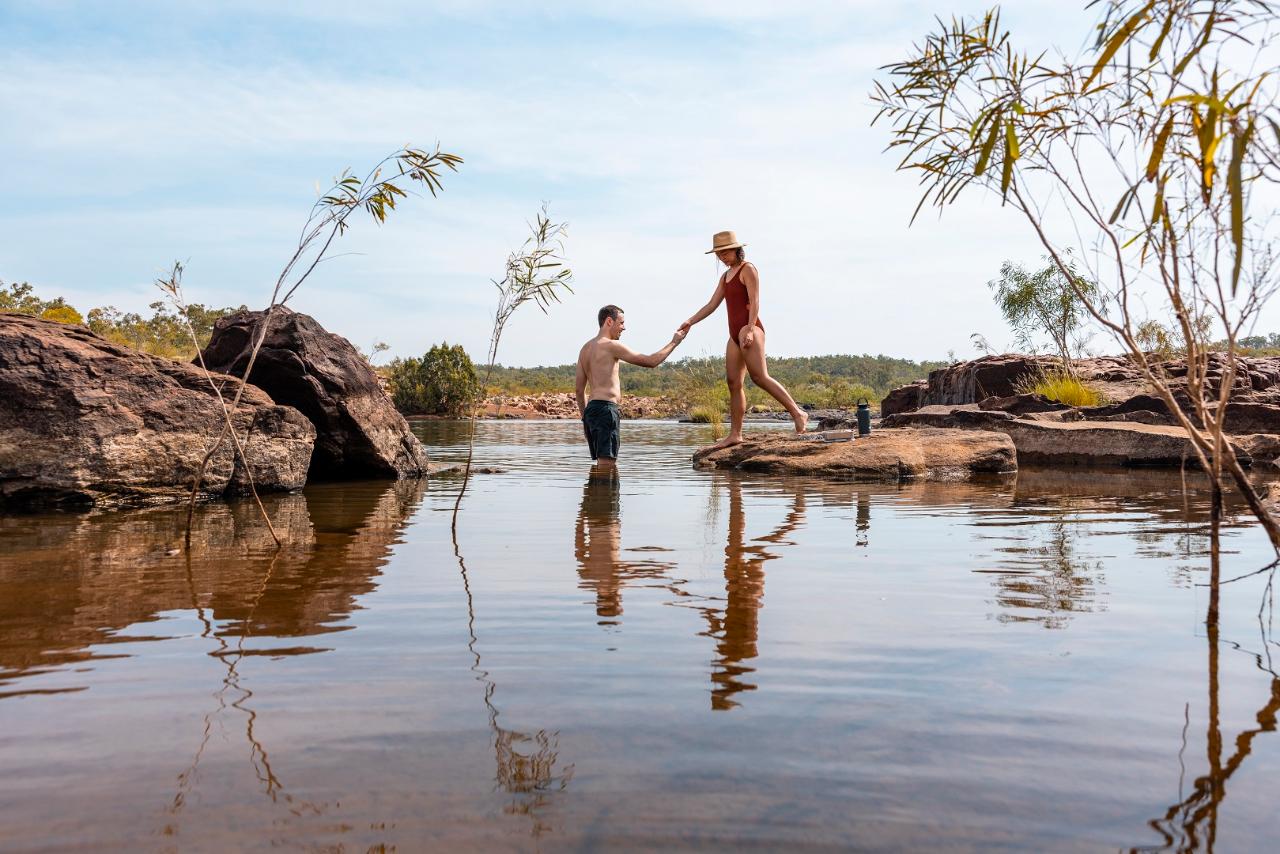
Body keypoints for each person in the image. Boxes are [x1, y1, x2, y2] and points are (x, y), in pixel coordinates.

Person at [680, 231, 808, 450]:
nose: (722, 257)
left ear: (737, 249)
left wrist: (749, 329)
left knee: (759, 377)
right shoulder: (725, 276)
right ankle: (735, 434)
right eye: (719, 253)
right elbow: (712, 304)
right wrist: (690, 321)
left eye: (726, 252)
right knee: (733, 383)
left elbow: (755, 301)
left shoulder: (748, 269)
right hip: (733, 333)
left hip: (750, 329)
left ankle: (798, 413)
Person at [576, 304, 686, 465]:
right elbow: (651, 361)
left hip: (591, 411)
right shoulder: (611, 346)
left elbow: (579, 390)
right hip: (606, 410)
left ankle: (598, 491)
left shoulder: (585, 349)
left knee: (601, 463)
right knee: (607, 465)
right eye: (621, 323)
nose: (624, 328)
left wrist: (585, 419)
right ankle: (605, 491)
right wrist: (674, 342)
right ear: (609, 321)